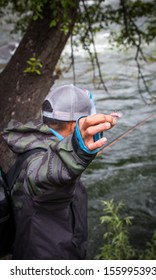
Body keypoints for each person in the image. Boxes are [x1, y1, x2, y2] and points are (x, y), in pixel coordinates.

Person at [3, 84, 117, 260]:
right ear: (73, 126)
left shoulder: (31, 141)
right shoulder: (43, 163)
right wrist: (76, 151)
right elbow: (46, 176)